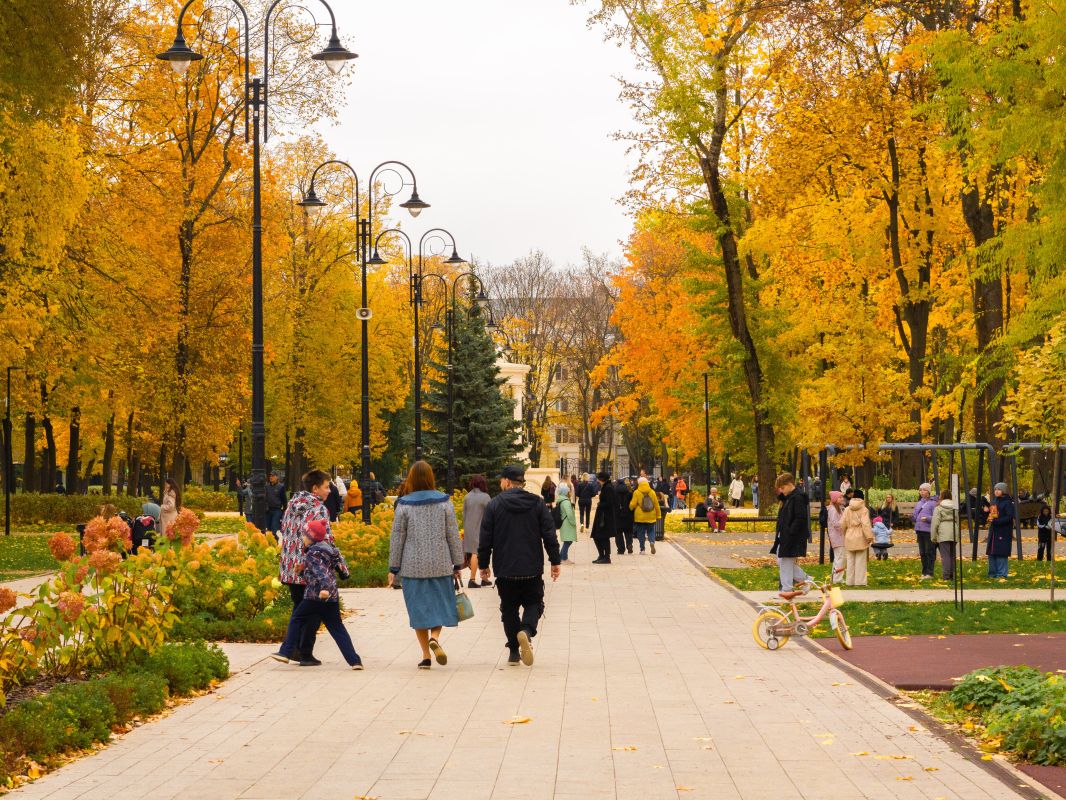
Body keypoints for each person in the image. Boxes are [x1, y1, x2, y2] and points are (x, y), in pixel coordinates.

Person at [478, 464, 561, 666]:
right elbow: (549, 534)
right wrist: (555, 561)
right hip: (531, 567)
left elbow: (485, 537)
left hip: (505, 569)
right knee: (534, 603)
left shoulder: (495, 505)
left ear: (507, 481)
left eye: (501, 480)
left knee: (509, 609)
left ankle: (514, 652)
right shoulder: (537, 503)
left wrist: (483, 564)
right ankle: (526, 631)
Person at [388, 461, 463, 669]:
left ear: (411, 478)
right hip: (440, 563)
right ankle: (436, 638)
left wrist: (393, 568)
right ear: (431, 477)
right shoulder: (445, 502)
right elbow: (453, 535)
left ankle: (425, 656)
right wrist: (457, 563)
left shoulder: (404, 505)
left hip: (412, 565)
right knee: (440, 605)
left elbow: (397, 538)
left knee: (418, 610)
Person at [274, 519, 362, 669]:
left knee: (297, 618)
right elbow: (338, 570)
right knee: (337, 628)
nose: (302, 537)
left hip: (315, 596)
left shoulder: (313, 553)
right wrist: (302, 570)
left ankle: (286, 652)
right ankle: (355, 661)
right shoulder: (329, 549)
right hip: (331, 597)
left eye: (304, 535)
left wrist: (324, 589)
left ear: (311, 536)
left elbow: (322, 574)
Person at [273, 469, 334, 666]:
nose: (330, 491)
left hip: (290, 566)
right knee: (314, 611)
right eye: (326, 486)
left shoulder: (292, 504)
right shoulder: (319, 509)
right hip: (310, 567)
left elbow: (284, 531)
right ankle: (304, 652)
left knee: (299, 607)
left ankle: (295, 649)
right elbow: (325, 539)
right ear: (315, 488)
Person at [771, 473, 810, 592]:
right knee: (783, 561)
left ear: (788, 485)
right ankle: (805, 580)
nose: (781, 491)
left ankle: (787, 589)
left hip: (792, 536)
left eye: (782, 488)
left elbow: (800, 518)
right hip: (785, 535)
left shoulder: (797, 497)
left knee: (785, 562)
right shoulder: (789, 498)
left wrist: (790, 531)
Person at [462, 475, 492, 588]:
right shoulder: (485, 497)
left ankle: (484, 578)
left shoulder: (467, 497)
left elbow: (464, 514)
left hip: (468, 528)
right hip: (480, 528)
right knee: (476, 553)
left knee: (475, 553)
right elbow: (490, 515)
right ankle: (472, 579)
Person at [841, 489, 873, 586]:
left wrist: (845, 532)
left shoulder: (847, 509)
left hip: (849, 534)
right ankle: (860, 581)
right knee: (860, 560)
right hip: (860, 535)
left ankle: (849, 581)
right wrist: (869, 537)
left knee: (850, 560)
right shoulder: (864, 509)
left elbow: (842, 523)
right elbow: (866, 524)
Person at [986, 482, 1015, 579]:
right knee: (992, 552)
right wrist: (990, 517)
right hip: (994, 531)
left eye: (999, 489)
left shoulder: (1007, 503)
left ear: (1003, 491)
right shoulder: (994, 501)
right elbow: (993, 514)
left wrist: (996, 521)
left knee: (1001, 553)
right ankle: (992, 573)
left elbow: (1009, 517)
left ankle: (1002, 574)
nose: (996, 491)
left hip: (1003, 531)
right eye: (995, 489)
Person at [931, 489, 959, 581]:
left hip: (943, 532)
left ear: (941, 497)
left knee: (945, 556)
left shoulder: (938, 508)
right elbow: (957, 520)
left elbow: (935, 523)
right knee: (952, 555)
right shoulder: (955, 507)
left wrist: (933, 537)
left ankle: (946, 576)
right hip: (953, 530)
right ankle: (953, 575)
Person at [590, 471, 617, 564]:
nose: (597, 480)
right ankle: (602, 555)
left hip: (605, 517)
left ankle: (606, 557)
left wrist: (600, 504)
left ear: (602, 479)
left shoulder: (608, 488)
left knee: (603, 536)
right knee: (597, 536)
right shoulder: (606, 487)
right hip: (602, 515)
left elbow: (610, 502)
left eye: (599, 478)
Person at [912, 483, 938, 580]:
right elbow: (915, 516)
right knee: (922, 552)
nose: (922, 492)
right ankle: (924, 572)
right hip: (919, 530)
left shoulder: (933, 503)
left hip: (928, 531)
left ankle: (930, 573)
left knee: (929, 552)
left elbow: (936, 517)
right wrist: (912, 517)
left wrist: (927, 518)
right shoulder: (919, 503)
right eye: (920, 490)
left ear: (929, 491)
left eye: (924, 490)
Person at [629, 476, 660, 554]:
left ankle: (642, 549)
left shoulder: (636, 492)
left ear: (639, 483)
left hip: (640, 516)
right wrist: (658, 515)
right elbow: (656, 505)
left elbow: (633, 504)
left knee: (641, 533)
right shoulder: (652, 492)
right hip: (651, 514)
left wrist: (631, 508)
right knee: (651, 530)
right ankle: (652, 542)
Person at [826, 490, 846, 583]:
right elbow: (835, 523)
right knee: (840, 558)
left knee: (839, 557)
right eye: (840, 497)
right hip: (837, 537)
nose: (842, 498)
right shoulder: (833, 509)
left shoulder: (839, 508)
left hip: (839, 536)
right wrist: (845, 526)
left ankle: (836, 577)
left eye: (842, 497)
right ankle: (837, 579)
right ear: (835, 499)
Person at [556, 483, 578, 562]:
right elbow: (569, 514)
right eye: (569, 492)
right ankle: (564, 558)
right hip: (567, 523)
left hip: (565, 523)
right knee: (568, 541)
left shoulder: (561, 500)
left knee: (567, 541)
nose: (570, 493)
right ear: (565, 492)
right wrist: (573, 522)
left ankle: (561, 557)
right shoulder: (566, 502)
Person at [615, 477, 634, 555]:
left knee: (618, 533)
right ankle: (629, 544)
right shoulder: (629, 494)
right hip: (628, 516)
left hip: (618, 516)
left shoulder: (615, 494)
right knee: (628, 532)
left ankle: (621, 549)